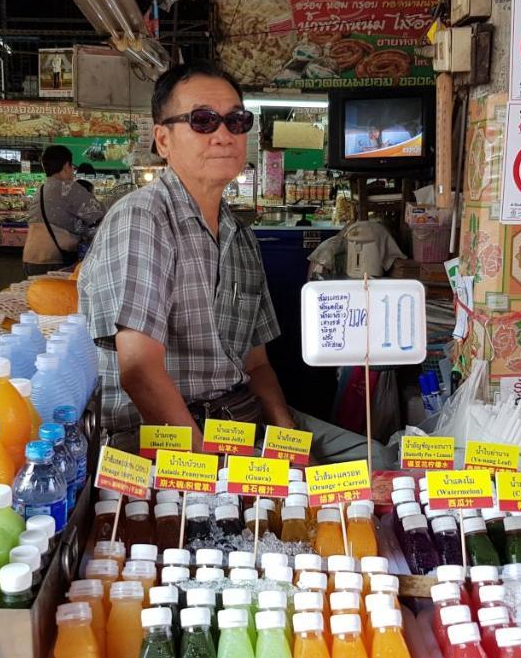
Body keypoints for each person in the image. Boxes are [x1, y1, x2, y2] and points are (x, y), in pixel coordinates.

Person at [80, 61, 383, 464]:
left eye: (236, 121)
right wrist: (209, 473)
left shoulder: (240, 237)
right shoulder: (145, 217)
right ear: (163, 140)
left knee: (375, 462)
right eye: (203, 121)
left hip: (239, 420)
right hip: (162, 436)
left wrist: (288, 440)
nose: (224, 135)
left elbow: (257, 366)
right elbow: (139, 371)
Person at [23, 145, 106, 276]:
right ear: (66, 165)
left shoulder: (42, 189)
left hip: (30, 257)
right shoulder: (68, 188)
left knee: (37, 294)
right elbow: (100, 214)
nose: (72, 170)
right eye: (71, 165)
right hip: (53, 258)